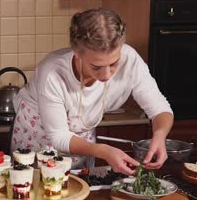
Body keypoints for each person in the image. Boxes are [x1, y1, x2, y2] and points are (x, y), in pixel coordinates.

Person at [11, 9, 174, 175]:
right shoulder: (52, 72)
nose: (106, 75)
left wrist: (160, 135)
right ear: (76, 53)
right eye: (96, 66)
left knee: (80, 189)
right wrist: (104, 151)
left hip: (83, 139)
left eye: (113, 63)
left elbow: (160, 108)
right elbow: (59, 136)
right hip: (38, 136)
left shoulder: (130, 59)